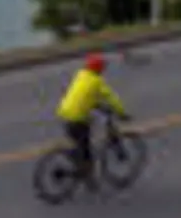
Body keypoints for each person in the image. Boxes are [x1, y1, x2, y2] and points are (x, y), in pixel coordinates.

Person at [55, 52, 129, 183]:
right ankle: (84, 174)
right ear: (99, 69)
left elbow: (83, 96)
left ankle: (79, 163)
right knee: (86, 147)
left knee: (83, 139)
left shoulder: (80, 75)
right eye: (102, 67)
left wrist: (97, 105)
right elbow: (112, 98)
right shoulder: (97, 82)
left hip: (65, 112)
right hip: (77, 117)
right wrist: (122, 113)